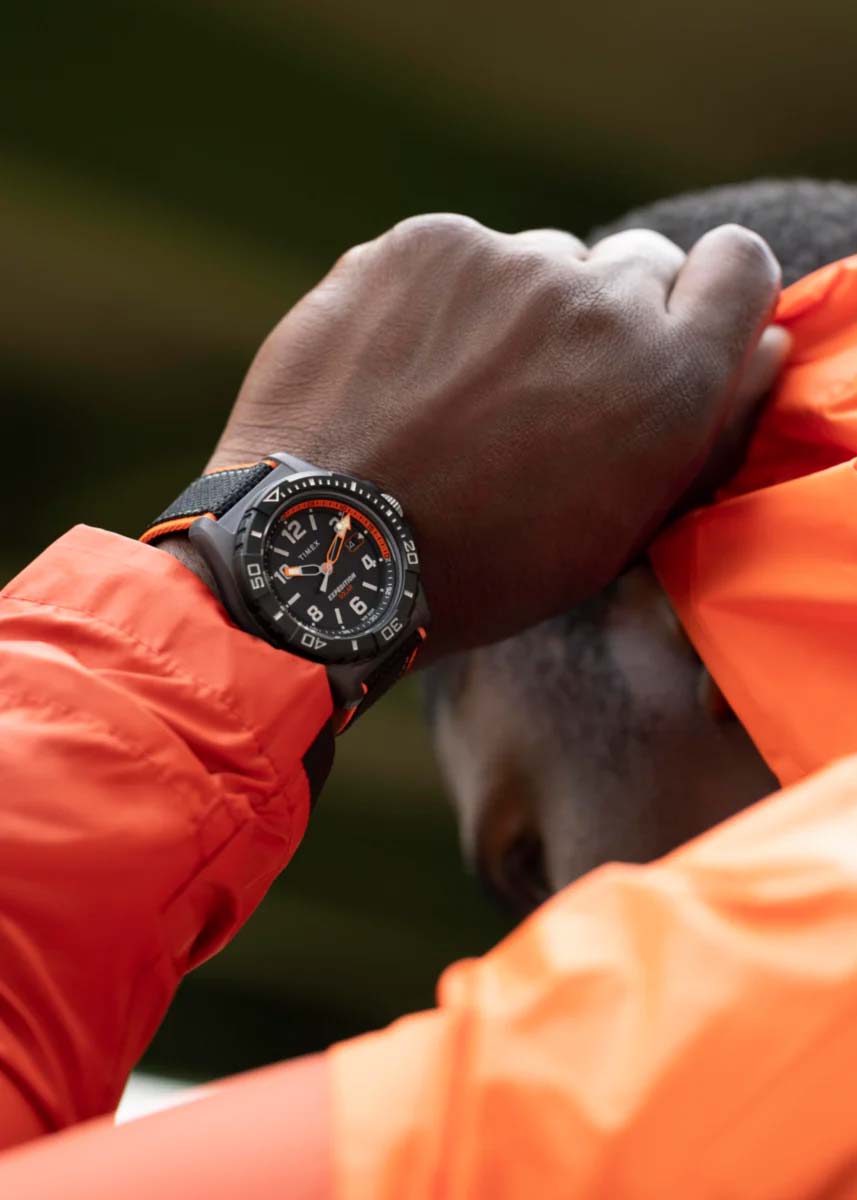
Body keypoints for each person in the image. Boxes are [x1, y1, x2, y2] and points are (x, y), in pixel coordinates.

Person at [0, 206, 833, 1198]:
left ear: (692, 629)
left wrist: (219, 608)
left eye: (522, 866)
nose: (523, 943)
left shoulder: (634, 1098)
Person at [426, 178, 857, 915]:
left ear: (706, 600)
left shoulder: (668, 978)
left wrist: (251, 568)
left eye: (528, 867)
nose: (537, 933)